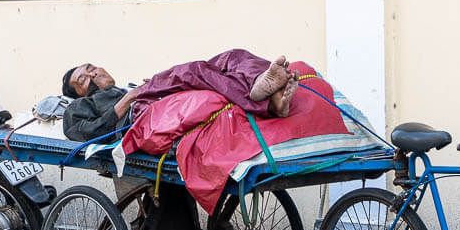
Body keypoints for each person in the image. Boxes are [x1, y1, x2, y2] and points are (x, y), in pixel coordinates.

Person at [60, 49, 299, 142]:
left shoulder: (122, 88)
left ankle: (264, 87)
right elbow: (90, 132)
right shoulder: (78, 107)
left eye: (91, 69)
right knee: (194, 71)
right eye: (82, 79)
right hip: (140, 115)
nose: (92, 75)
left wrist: (136, 89)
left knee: (231, 57)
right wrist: (129, 98)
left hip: (151, 95)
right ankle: (265, 98)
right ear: (77, 94)